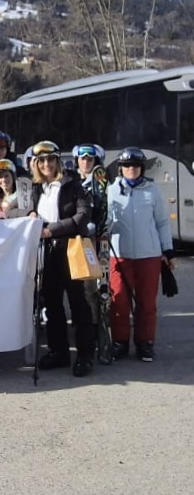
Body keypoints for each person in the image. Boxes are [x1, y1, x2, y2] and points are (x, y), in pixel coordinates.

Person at [28, 140, 94, 377]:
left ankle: (85, 355)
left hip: (70, 248)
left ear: (57, 161)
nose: (46, 164)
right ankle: (59, 352)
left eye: (50, 160)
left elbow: (83, 216)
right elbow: (17, 208)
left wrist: (52, 230)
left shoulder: (73, 185)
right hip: (47, 251)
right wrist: (30, 213)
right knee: (52, 303)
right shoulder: (36, 188)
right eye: (41, 161)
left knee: (78, 303)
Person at [106, 147, 174, 362]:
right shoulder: (111, 191)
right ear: (121, 168)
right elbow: (106, 220)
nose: (131, 169)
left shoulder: (152, 191)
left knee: (146, 302)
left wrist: (168, 251)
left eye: (135, 165)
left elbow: (162, 222)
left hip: (149, 255)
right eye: (127, 165)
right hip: (120, 254)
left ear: (142, 168)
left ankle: (145, 343)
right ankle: (120, 342)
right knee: (119, 301)